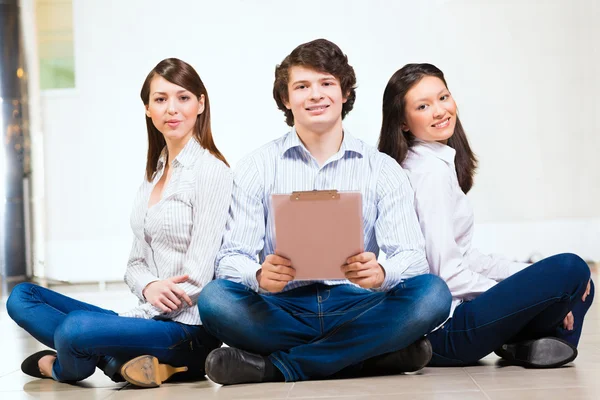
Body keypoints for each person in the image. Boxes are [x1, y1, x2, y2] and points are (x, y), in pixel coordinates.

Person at [197, 39, 451, 385]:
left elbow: (412, 258)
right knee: (215, 300)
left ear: (345, 92)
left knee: (432, 294)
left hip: (357, 306)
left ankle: (280, 367)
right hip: (283, 309)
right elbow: (230, 258)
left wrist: (380, 272)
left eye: (327, 83)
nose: (315, 95)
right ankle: (365, 357)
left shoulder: (382, 168)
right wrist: (258, 276)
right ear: (286, 99)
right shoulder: (256, 167)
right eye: (302, 86)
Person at [6, 58, 232, 387]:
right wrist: (148, 287)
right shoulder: (153, 176)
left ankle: (65, 367)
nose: (172, 109)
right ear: (147, 109)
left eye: (183, 97)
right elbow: (134, 264)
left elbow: (198, 280)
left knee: (76, 329)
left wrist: (128, 318)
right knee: (22, 297)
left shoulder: (212, 172)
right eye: (160, 99)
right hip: (147, 319)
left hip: (188, 332)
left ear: (200, 104)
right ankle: (115, 360)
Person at [378, 63, 594, 368]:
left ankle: (528, 345)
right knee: (571, 269)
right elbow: (447, 276)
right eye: (423, 106)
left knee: (581, 283)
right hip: (445, 331)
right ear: (402, 122)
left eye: (443, 98)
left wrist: (526, 278)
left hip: (458, 320)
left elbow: (466, 257)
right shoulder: (428, 174)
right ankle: (537, 340)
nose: (439, 111)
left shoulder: (436, 161)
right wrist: (524, 297)